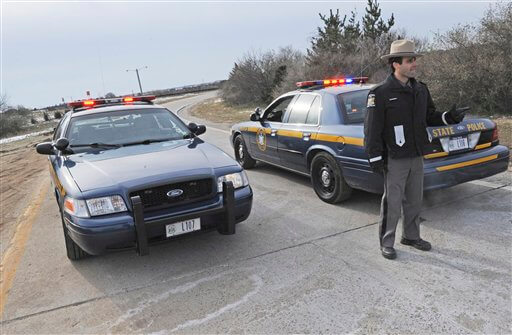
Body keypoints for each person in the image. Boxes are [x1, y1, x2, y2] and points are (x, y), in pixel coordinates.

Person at [364, 39, 466, 260]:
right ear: (395, 64)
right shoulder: (380, 93)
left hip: (417, 154)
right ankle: (387, 241)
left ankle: (411, 236)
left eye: (414, 60)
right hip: (395, 157)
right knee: (392, 201)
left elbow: (429, 116)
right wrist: (374, 157)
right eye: (410, 61)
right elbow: (372, 129)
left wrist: (449, 117)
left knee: (414, 199)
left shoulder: (420, 90)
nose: (414, 64)